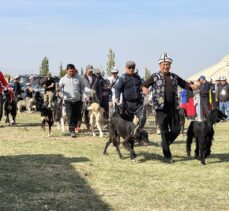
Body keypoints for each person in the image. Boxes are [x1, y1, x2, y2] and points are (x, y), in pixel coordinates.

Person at [142, 53, 195, 163]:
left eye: (168, 64)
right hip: (160, 109)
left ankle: (164, 143)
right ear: (160, 65)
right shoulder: (155, 76)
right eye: (164, 64)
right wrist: (144, 89)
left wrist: (192, 86)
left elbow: (184, 84)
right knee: (164, 132)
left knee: (177, 129)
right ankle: (167, 156)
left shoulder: (174, 76)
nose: (166, 67)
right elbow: (144, 84)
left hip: (173, 108)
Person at [115, 60, 146, 129]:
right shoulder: (122, 78)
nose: (131, 69)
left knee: (142, 118)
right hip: (127, 104)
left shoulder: (138, 78)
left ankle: (138, 132)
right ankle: (130, 136)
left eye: (133, 67)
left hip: (139, 103)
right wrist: (117, 98)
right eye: (129, 68)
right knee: (128, 122)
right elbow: (117, 88)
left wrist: (144, 89)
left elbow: (143, 86)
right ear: (126, 68)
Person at [59, 64, 85, 137]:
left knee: (77, 116)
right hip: (68, 100)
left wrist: (89, 92)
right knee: (70, 115)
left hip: (77, 100)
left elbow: (83, 88)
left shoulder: (79, 78)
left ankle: (74, 127)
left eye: (73, 71)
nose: (71, 72)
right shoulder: (63, 79)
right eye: (70, 71)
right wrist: (59, 92)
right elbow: (59, 88)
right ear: (67, 71)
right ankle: (72, 130)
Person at [81, 64, 102, 130]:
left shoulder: (96, 77)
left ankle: (95, 125)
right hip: (85, 98)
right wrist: (83, 96)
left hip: (94, 98)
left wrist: (99, 98)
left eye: (92, 71)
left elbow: (99, 89)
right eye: (89, 70)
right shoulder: (82, 77)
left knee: (96, 112)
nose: (91, 72)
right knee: (86, 112)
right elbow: (81, 88)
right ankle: (88, 126)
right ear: (86, 70)